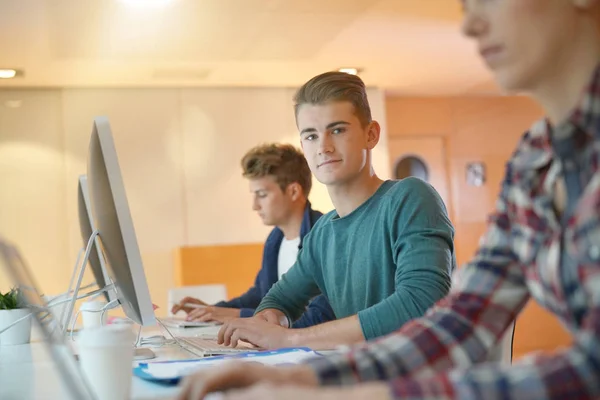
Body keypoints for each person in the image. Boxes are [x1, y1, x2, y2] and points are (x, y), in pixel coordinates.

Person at [177, 0, 600, 399]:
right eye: (311, 135)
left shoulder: (408, 197)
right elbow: (459, 320)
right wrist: (299, 376)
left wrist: (344, 378)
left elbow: (588, 367)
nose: (470, 25)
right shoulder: (535, 161)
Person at [214, 71, 455, 351]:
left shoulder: (410, 198)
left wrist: (289, 338)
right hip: (355, 377)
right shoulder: (323, 233)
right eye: (311, 136)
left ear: (371, 134)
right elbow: (278, 299)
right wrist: (269, 318)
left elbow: (421, 302)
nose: (324, 147)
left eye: (338, 130)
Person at [171, 143, 335, 327]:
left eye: (262, 194)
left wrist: (236, 315)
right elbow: (259, 296)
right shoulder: (275, 240)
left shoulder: (326, 237)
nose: (255, 206)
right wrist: (212, 310)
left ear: (294, 191)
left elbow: (315, 315)